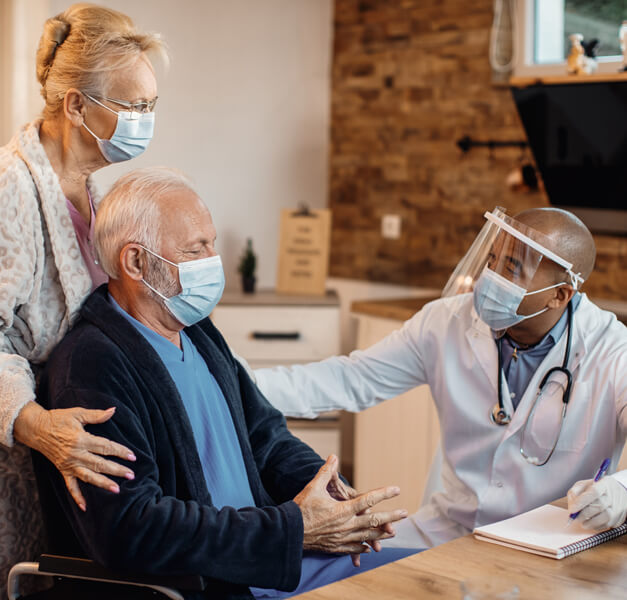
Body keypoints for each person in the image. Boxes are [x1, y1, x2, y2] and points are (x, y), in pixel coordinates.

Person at [32, 167, 416, 600]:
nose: (214, 262)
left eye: (211, 244)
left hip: (274, 562)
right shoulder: (92, 365)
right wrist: (295, 529)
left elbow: (265, 436)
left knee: (425, 575)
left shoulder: (195, 330)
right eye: (196, 250)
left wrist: (329, 496)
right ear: (136, 261)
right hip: (216, 584)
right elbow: (130, 528)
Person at [253, 206, 627, 547]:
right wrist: (236, 383)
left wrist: (622, 489)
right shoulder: (446, 321)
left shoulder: (613, 352)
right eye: (492, 259)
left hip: (551, 546)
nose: (491, 277)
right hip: (448, 533)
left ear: (559, 295)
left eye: (512, 268)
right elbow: (351, 379)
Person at [0, 3, 166, 591]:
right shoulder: (10, 189)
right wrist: (37, 426)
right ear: (75, 105)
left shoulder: (92, 191)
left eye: (152, 106)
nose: (146, 119)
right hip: (23, 453)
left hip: (83, 450)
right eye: (133, 106)